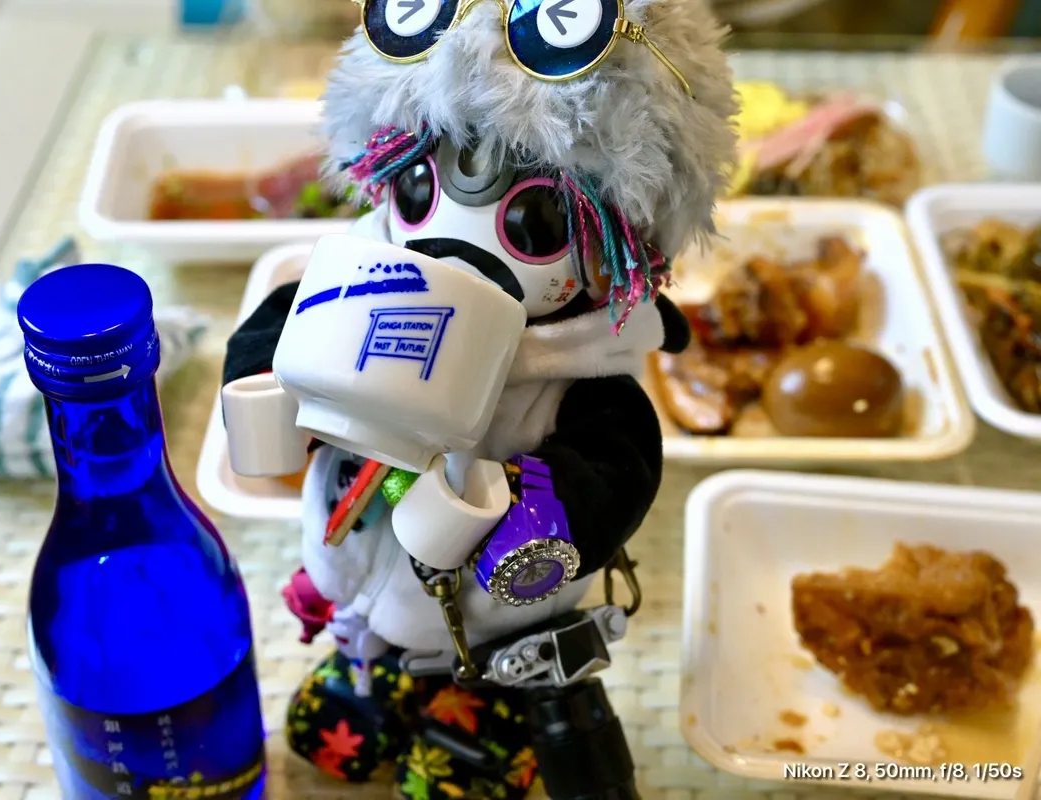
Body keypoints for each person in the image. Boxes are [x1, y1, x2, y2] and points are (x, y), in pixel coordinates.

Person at [223, 1, 737, 797]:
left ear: (622, 241)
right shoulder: (353, 278)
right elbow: (268, 339)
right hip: (363, 590)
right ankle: (380, 667)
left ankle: (478, 708)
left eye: (533, 220)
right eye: (420, 187)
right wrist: (267, 385)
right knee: (322, 741)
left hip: (497, 636)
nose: (454, 244)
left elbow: (618, 466)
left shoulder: (585, 370)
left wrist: (550, 515)